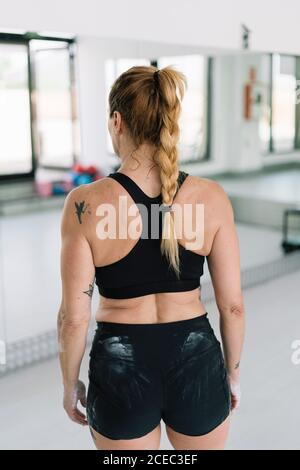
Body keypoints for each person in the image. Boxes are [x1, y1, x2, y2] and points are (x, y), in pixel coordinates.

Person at [57, 65, 245, 451]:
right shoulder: (211, 197)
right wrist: (231, 373)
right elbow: (233, 307)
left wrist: (69, 382)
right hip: (196, 357)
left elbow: (73, 317)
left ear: (116, 121)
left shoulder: (85, 203)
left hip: (120, 365)